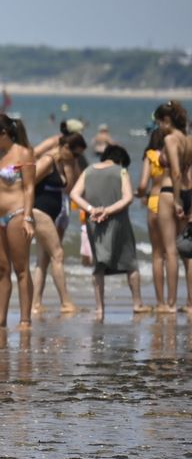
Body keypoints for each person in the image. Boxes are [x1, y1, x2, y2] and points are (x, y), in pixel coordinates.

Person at [72, 144, 145, 320]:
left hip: (95, 223)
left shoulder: (88, 171)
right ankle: (137, 304)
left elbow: (74, 194)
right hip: (118, 222)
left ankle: (99, 309)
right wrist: (108, 210)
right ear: (120, 160)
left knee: (99, 266)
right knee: (130, 263)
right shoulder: (121, 171)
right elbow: (128, 198)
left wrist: (92, 209)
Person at [0, 112, 36, 332]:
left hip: (16, 214)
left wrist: (28, 218)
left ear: (4, 133)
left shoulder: (24, 153)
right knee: (1, 269)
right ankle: (1, 319)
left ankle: (25, 319)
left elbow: (29, 187)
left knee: (21, 269)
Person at [30, 132, 84, 315]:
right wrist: (27, 213)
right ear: (66, 147)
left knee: (43, 260)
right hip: (40, 212)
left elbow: (72, 186)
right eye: (75, 154)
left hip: (51, 213)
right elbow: (29, 183)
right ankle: (65, 302)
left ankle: (35, 303)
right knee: (58, 254)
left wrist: (74, 161)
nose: (76, 158)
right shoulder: (48, 160)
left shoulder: (62, 162)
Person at [150, 101, 190, 313]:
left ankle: (171, 303)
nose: (159, 127)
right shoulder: (187, 138)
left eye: (159, 122)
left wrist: (176, 200)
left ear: (167, 120)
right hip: (189, 191)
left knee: (170, 250)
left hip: (170, 193)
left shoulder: (170, 138)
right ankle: (190, 302)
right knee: (188, 253)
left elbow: (174, 171)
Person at [138, 127, 176, 313]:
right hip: (173, 199)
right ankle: (175, 301)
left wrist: (140, 194)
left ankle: (160, 303)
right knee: (174, 253)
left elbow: (143, 184)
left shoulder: (151, 155)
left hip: (155, 201)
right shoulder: (176, 155)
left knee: (157, 255)